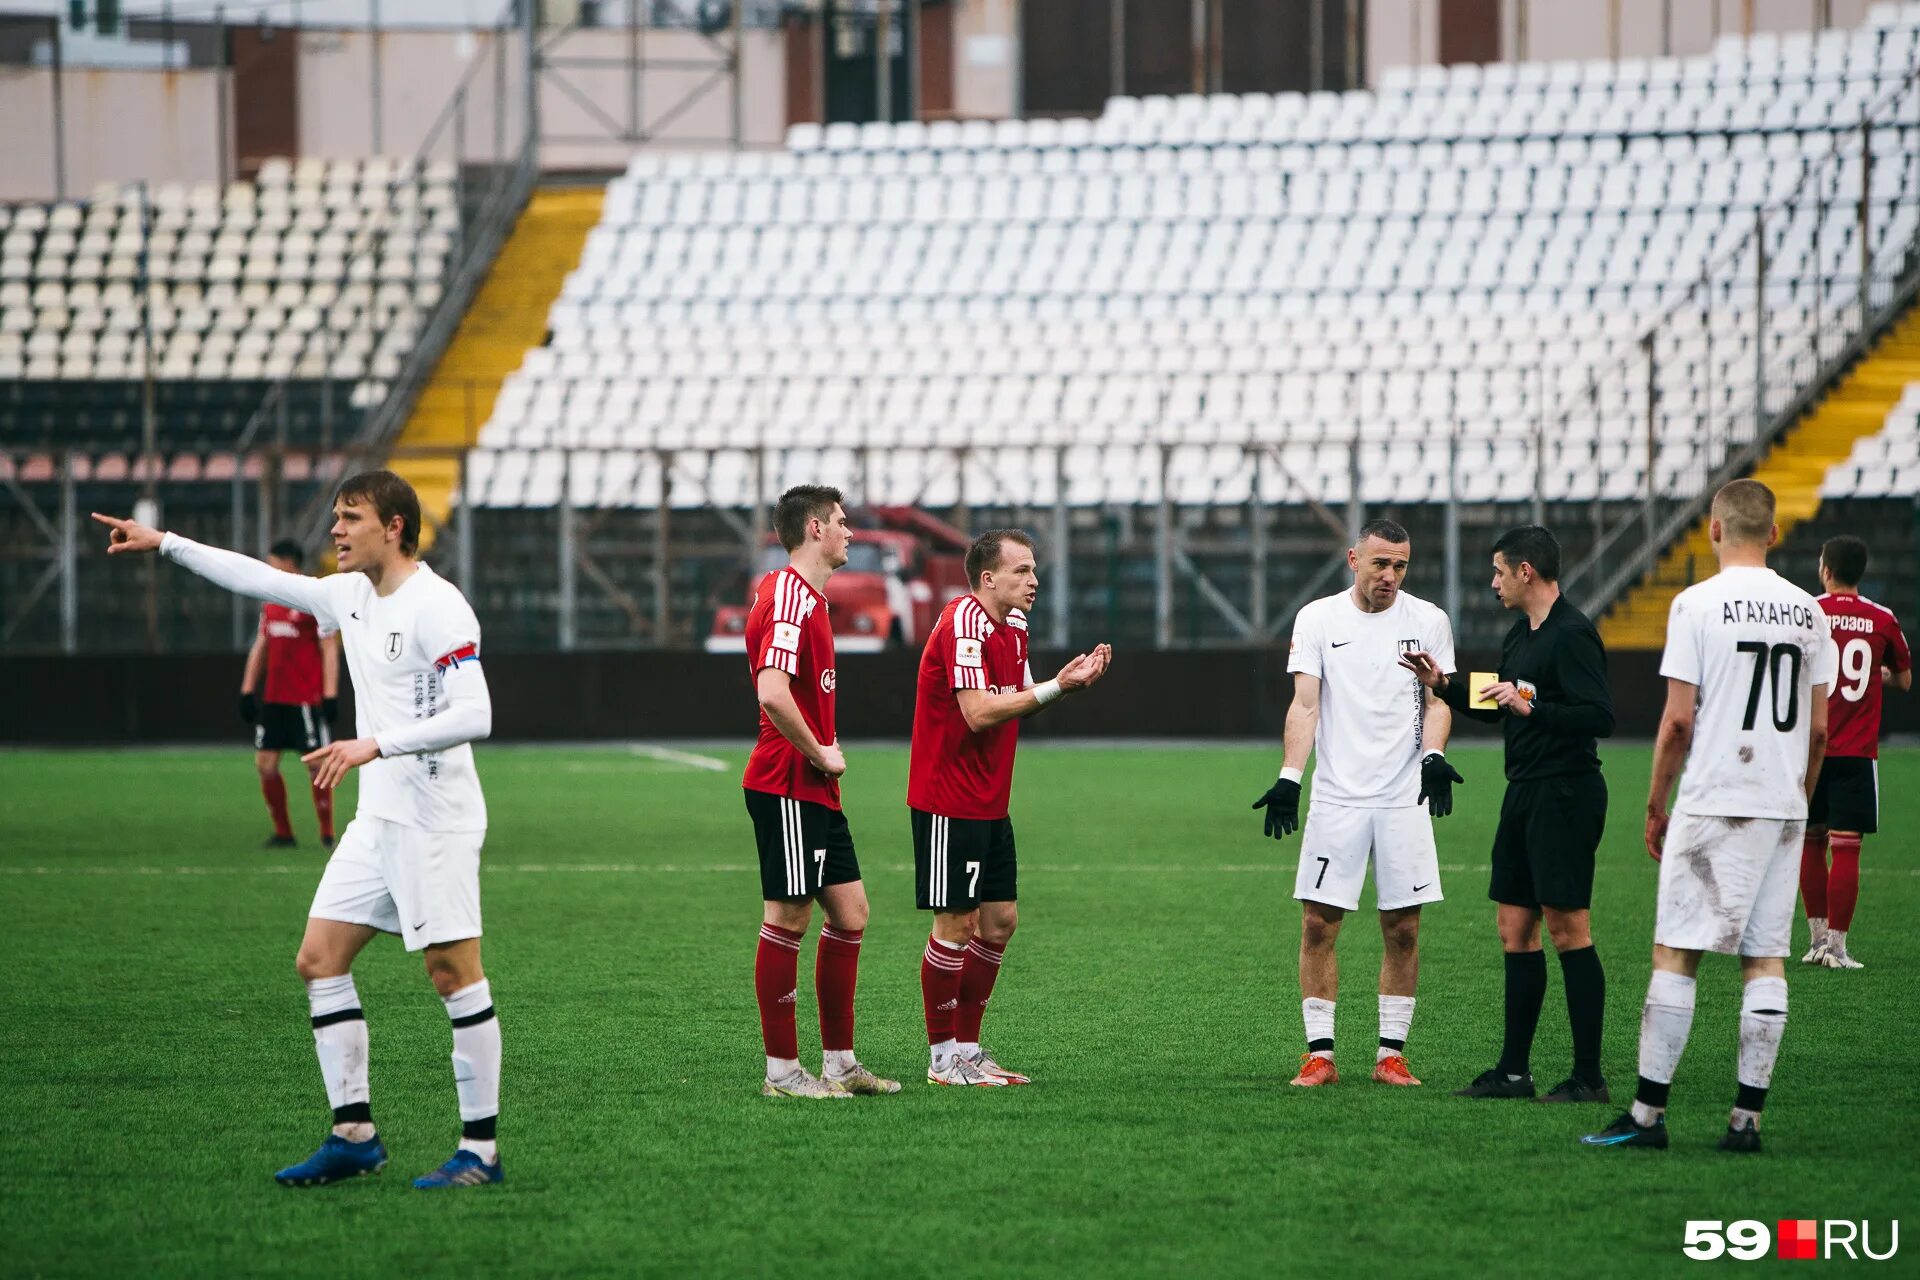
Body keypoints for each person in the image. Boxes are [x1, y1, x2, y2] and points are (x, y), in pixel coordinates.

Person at [93, 470, 505, 1189]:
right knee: (319, 960)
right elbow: (257, 578)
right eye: (336, 518)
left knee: (452, 976)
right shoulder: (346, 595)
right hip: (377, 818)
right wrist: (165, 543)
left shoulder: (438, 606)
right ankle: (354, 1135)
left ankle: (481, 1153)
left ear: (395, 527)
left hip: (435, 821)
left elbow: (478, 715)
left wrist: (373, 744)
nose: (336, 531)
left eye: (350, 517)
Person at [1583, 480, 1836, 1153]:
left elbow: (1676, 722)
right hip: (1781, 803)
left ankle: (1646, 1117)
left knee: (1677, 954)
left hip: (1715, 798)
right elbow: (1820, 733)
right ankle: (1745, 1122)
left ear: (1715, 531)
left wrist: (1655, 804)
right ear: (1775, 534)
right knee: (1765, 960)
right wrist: (1800, 797)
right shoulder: (1809, 612)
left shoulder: (1695, 604)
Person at [1402, 525, 1615, 1104]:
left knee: (1569, 928)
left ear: (1526, 571)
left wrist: (1535, 705)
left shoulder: (1573, 633)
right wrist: (1442, 685)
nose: (1493, 582)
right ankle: (1514, 1073)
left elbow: (1599, 715)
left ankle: (1589, 1077)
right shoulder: (1521, 635)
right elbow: (1501, 705)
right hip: (1523, 791)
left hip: (1566, 793)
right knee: (1514, 928)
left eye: (1499, 571)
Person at [1253, 518, 1459, 1089]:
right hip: (1337, 798)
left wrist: (1434, 757)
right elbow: (1304, 705)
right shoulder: (1318, 618)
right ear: (1353, 559)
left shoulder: (1429, 621)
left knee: (1403, 930)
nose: (1390, 576)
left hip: (1403, 797)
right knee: (1319, 924)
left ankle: (1391, 1056)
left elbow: (1439, 699)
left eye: (1400, 566)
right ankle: (1320, 1055)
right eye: (1380, 564)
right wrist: (1290, 777)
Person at [910, 529, 1111, 1087]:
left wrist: (1063, 686)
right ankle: (942, 1057)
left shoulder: (1015, 624)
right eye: (1021, 571)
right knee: (956, 923)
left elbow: (1017, 697)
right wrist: (1057, 686)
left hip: (990, 800)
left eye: (1034, 569)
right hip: (948, 798)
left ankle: (970, 1049)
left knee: (999, 922)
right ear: (987, 578)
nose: (1034, 580)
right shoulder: (963, 623)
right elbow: (977, 713)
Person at [742, 485, 898, 1100]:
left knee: (851, 913)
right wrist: (821, 750)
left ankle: (839, 1064)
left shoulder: (810, 600)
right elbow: (772, 691)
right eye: (841, 522)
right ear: (813, 528)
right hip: (787, 781)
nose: (849, 532)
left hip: (813, 787)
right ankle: (782, 1072)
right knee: (787, 917)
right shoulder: (787, 594)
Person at [1800, 535, 1910, 969]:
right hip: (1857, 753)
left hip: (1811, 747)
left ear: (1825, 569)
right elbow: (1904, 680)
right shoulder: (1882, 618)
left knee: (1811, 844)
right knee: (1847, 849)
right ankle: (1838, 949)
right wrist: (1878, 675)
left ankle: (1815, 942)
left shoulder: (1807, 613)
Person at [240, 539, 343, 849]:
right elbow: (261, 646)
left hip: (305, 700)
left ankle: (326, 833)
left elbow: (329, 650)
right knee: (265, 764)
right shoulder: (269, 603)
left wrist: (330, 695)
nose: (268, 568)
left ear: (288, 563)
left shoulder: (313, 599)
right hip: (274, 699)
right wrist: (247, 690)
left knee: (316, 765)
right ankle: (284, 833)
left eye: (272, 561)